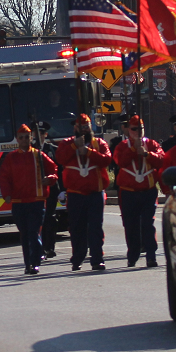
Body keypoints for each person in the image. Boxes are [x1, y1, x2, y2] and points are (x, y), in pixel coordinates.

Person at [0, 124, 58, 275]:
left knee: (34, 232)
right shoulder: (11, 157)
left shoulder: (39, 155)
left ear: (31, 138)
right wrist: (6, 194)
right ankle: (27, 263)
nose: (25, 140)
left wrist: (50, 179)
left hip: (36, 200)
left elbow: (54, 170)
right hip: (19, 202)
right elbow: (4, 177)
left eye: (27, 137)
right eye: (22, 138)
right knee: (24, 234)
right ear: (17, 140)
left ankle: (35, 262)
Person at [56, 114, 112, 271]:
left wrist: (87, 152)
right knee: (76, 228)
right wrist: (75, 146)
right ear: (75, 128)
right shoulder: (66, 144)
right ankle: (77, 258)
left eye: (87, 126)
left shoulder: (99, 143)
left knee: (95, 228)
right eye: (81, 126)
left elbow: (107, 160)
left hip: (95, 193)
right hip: (75, 194)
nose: (84, 129)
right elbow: (60, 159)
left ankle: (97, 259)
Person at [114, 115, 164, 267]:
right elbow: (119, 161)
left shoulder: (152, 144)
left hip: (148, 191)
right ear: (129, 130)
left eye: (141, 129)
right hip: (129, 192)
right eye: (135, 129)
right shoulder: (122, 145)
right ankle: (133, 255)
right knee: (131, 225)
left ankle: (151, 255)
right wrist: (132, 150)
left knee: (148, 224)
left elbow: (161, 160)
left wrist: (146, 154)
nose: (138, 132)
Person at [31, 121, 62, 259]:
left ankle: (49, 247)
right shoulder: (29, 150)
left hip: (51, 190)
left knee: (50, 219)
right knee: (37, 220)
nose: (39, 136)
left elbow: (59, 170)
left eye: (42, 133)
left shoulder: (52, 149)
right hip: (34, 191)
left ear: (46, 134)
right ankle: (39, 249)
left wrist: (62, 190)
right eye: (36, 133)